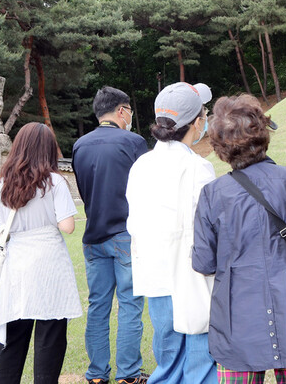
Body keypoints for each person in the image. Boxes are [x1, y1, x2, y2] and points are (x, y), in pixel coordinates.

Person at [193, 94, 286, 383]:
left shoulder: (212, 194)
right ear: (262, 134)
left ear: (219, 145)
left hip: (236, 314)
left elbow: (204, 261)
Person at [126, 82, 218, 384]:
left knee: (168, 356)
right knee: (200, 354)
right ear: (196, 123)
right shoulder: (198, 167)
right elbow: (208, 226)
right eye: (203, 114)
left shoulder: (141, 164)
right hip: (190, 274)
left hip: (153, 271)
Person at [0, 123, 81, 383]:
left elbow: (3, 223)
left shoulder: (3, 183)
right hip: (48, 259)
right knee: (50, 333)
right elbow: (68, 227)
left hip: (17, 260)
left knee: (13, 329)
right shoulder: (54, 182)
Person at [72, 86, 150, 384]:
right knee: (130, 304)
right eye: (129, 110)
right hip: (126, 233)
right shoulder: (134, 142)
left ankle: (96, 374)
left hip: (93, 235)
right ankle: (128, 373)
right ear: (121, 110)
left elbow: (83, 191)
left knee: (98, 306)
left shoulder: (80, 145)